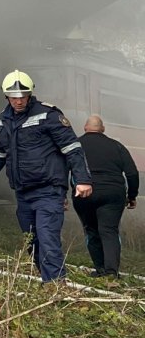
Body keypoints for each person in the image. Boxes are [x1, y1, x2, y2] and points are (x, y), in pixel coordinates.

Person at [0, 69, 93, 283]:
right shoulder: (4, 121)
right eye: (14, 98)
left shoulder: (48, 115)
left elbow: (72, 148)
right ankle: (47, 279)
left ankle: (56, 285)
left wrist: (83, 179)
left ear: (30, 95)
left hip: (48, 189)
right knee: (32, 240)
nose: (19, 102)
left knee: (47, 237)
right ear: (7, 97)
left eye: (22, 97)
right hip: (23, 192)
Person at [73, 115, 139, 278]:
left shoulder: (75, 145)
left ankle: (100, 269)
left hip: (84, 193)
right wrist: (132, 195)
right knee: (109, 230)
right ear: (103, 129)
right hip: (112, 193)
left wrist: (62, 195)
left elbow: (63, 170)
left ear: (85, 128)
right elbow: (132, 173)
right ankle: (111, 273)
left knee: (91, 230)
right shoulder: (117, 146)